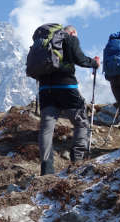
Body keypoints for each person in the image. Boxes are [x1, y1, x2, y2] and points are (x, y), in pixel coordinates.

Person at [38, 25, 99, 175]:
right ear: (72, 32)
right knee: (81, 122)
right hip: (66, 86)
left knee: (46, 128)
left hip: (45, 88)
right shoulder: (70, 38)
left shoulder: (44, 43)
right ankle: (77, 160)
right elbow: (80, 59)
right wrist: (94, 63)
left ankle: (47, 168)